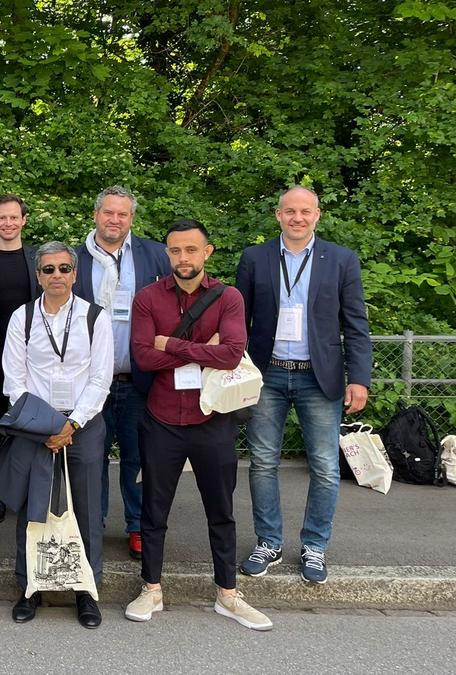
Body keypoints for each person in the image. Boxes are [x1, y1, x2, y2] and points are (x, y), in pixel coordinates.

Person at [125, 220, 272, 631]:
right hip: (161, 419)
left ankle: (227, 593)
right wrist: (202, 350)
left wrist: (169, 343)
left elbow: (231, 354)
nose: (183, 257)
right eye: (175, 250)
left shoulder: (228, 297)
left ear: (207, 252)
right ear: (167, 254)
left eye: (191, 249)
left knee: (221, 510)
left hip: (212, 419)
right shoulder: (147, 298)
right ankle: (151, 588)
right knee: (154, 510)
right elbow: (143, 357)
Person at [236, 186, 372, 584]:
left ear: (317, 215)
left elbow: (356, 325)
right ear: (278, 215)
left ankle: (315, 546)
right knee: (263, 462)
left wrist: (359, 378)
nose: (298, 217)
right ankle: (269, 542)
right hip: (268, 374)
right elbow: (238, 320)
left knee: (326, 466)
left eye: (305, 211)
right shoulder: (255, 258)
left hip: (319, 375)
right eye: (290, 211)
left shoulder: (341, 260)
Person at [1, 241, 112, 627]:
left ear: (75, 274)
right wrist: (45, 424)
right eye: (48, 269)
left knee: (85, 508)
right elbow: (14, 380)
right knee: (33, 508)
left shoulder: (94, 317)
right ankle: (29, 586)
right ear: (38, 276)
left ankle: (87, 591)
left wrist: (72, 424)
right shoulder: (23, 318)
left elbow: (100, 379)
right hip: (37, 426)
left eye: (64, 268)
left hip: (84, 425)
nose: (57, 276)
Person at [73, 185, 170, 561]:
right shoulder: (74, 258)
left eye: (122, 214)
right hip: (88, 382)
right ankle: (90, 526)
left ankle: (138, 526)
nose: (115, 220)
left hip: (138, 378)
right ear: (95, 215)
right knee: (90, 459)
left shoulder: (155, 255)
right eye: (108, 212)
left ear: (132, 218)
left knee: (138, 458)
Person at [0, 194, 40, 525]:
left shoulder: (39, 257)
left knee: (31, 423)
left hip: (35, 357)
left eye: (14, 217)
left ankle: (30, 490)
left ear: (24, 220)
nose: (8, 223)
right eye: (2, 217)